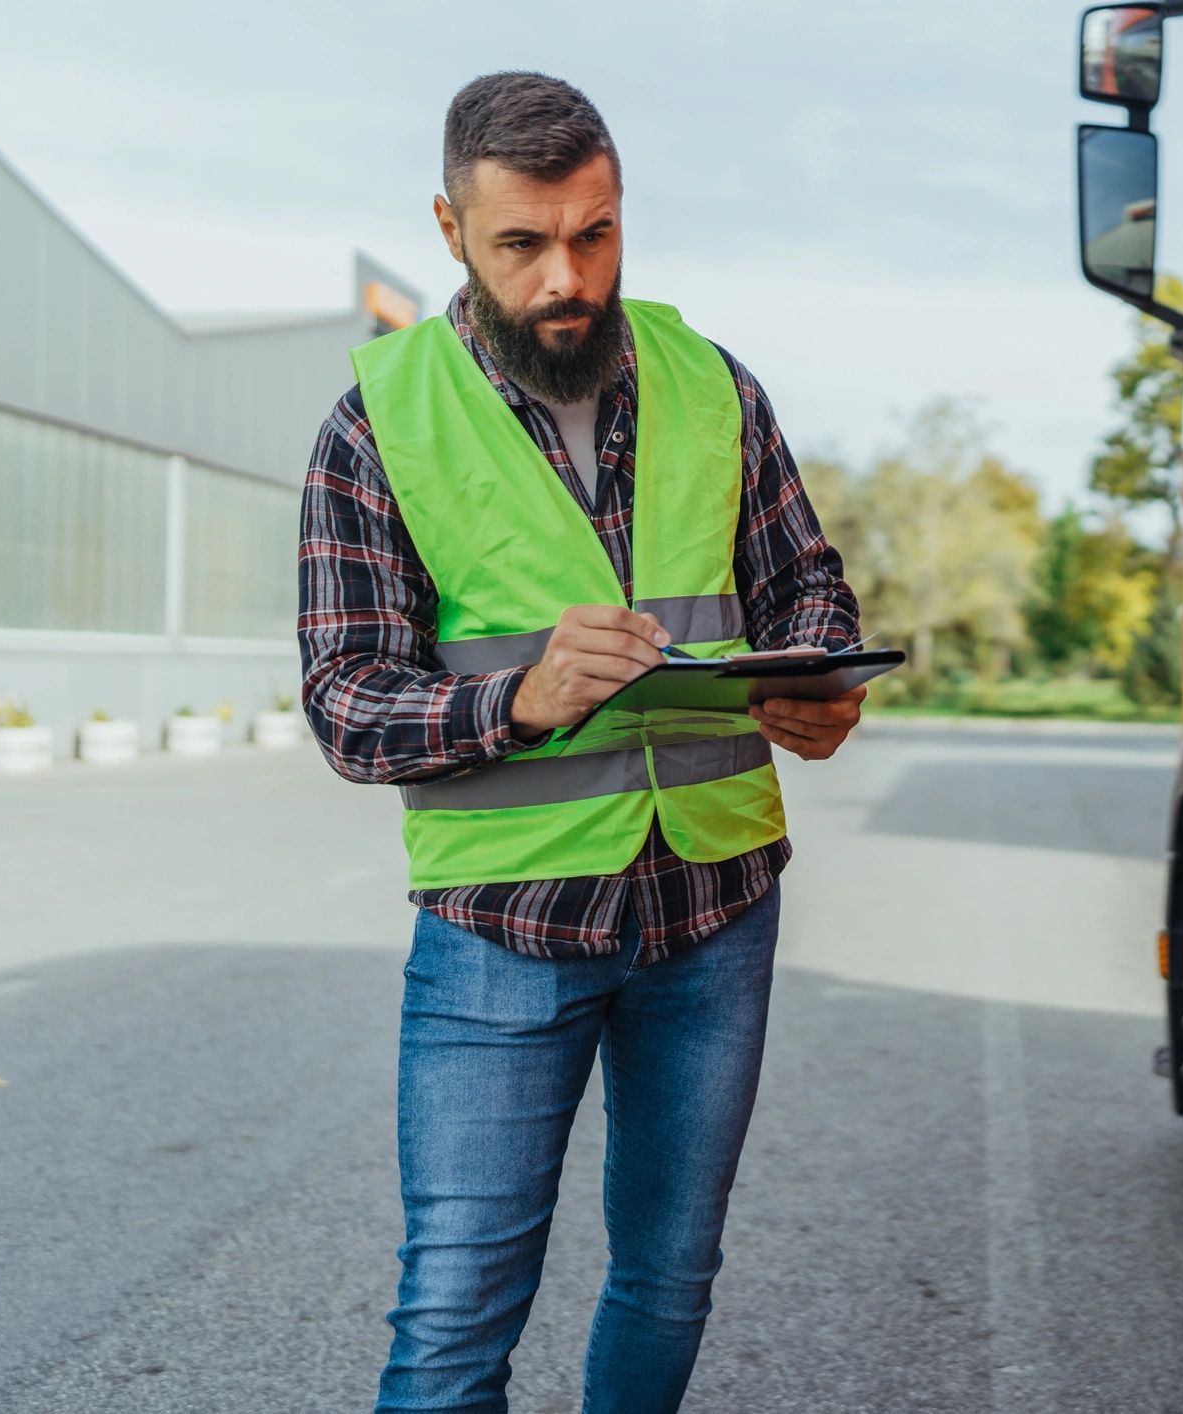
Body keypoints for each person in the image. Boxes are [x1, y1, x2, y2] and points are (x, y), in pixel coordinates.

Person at [295, 70, 864, 1413]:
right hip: (504, 927)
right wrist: (520, 699)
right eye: (524, 243)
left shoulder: (712, 383)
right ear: (451, 228)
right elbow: (344, 700)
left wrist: (820, 680)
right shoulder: (376, 423)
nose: (570, 276)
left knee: (671, 1278)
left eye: (596, 233)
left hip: (714, 909)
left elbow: (807, 585)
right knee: (451, 1319)